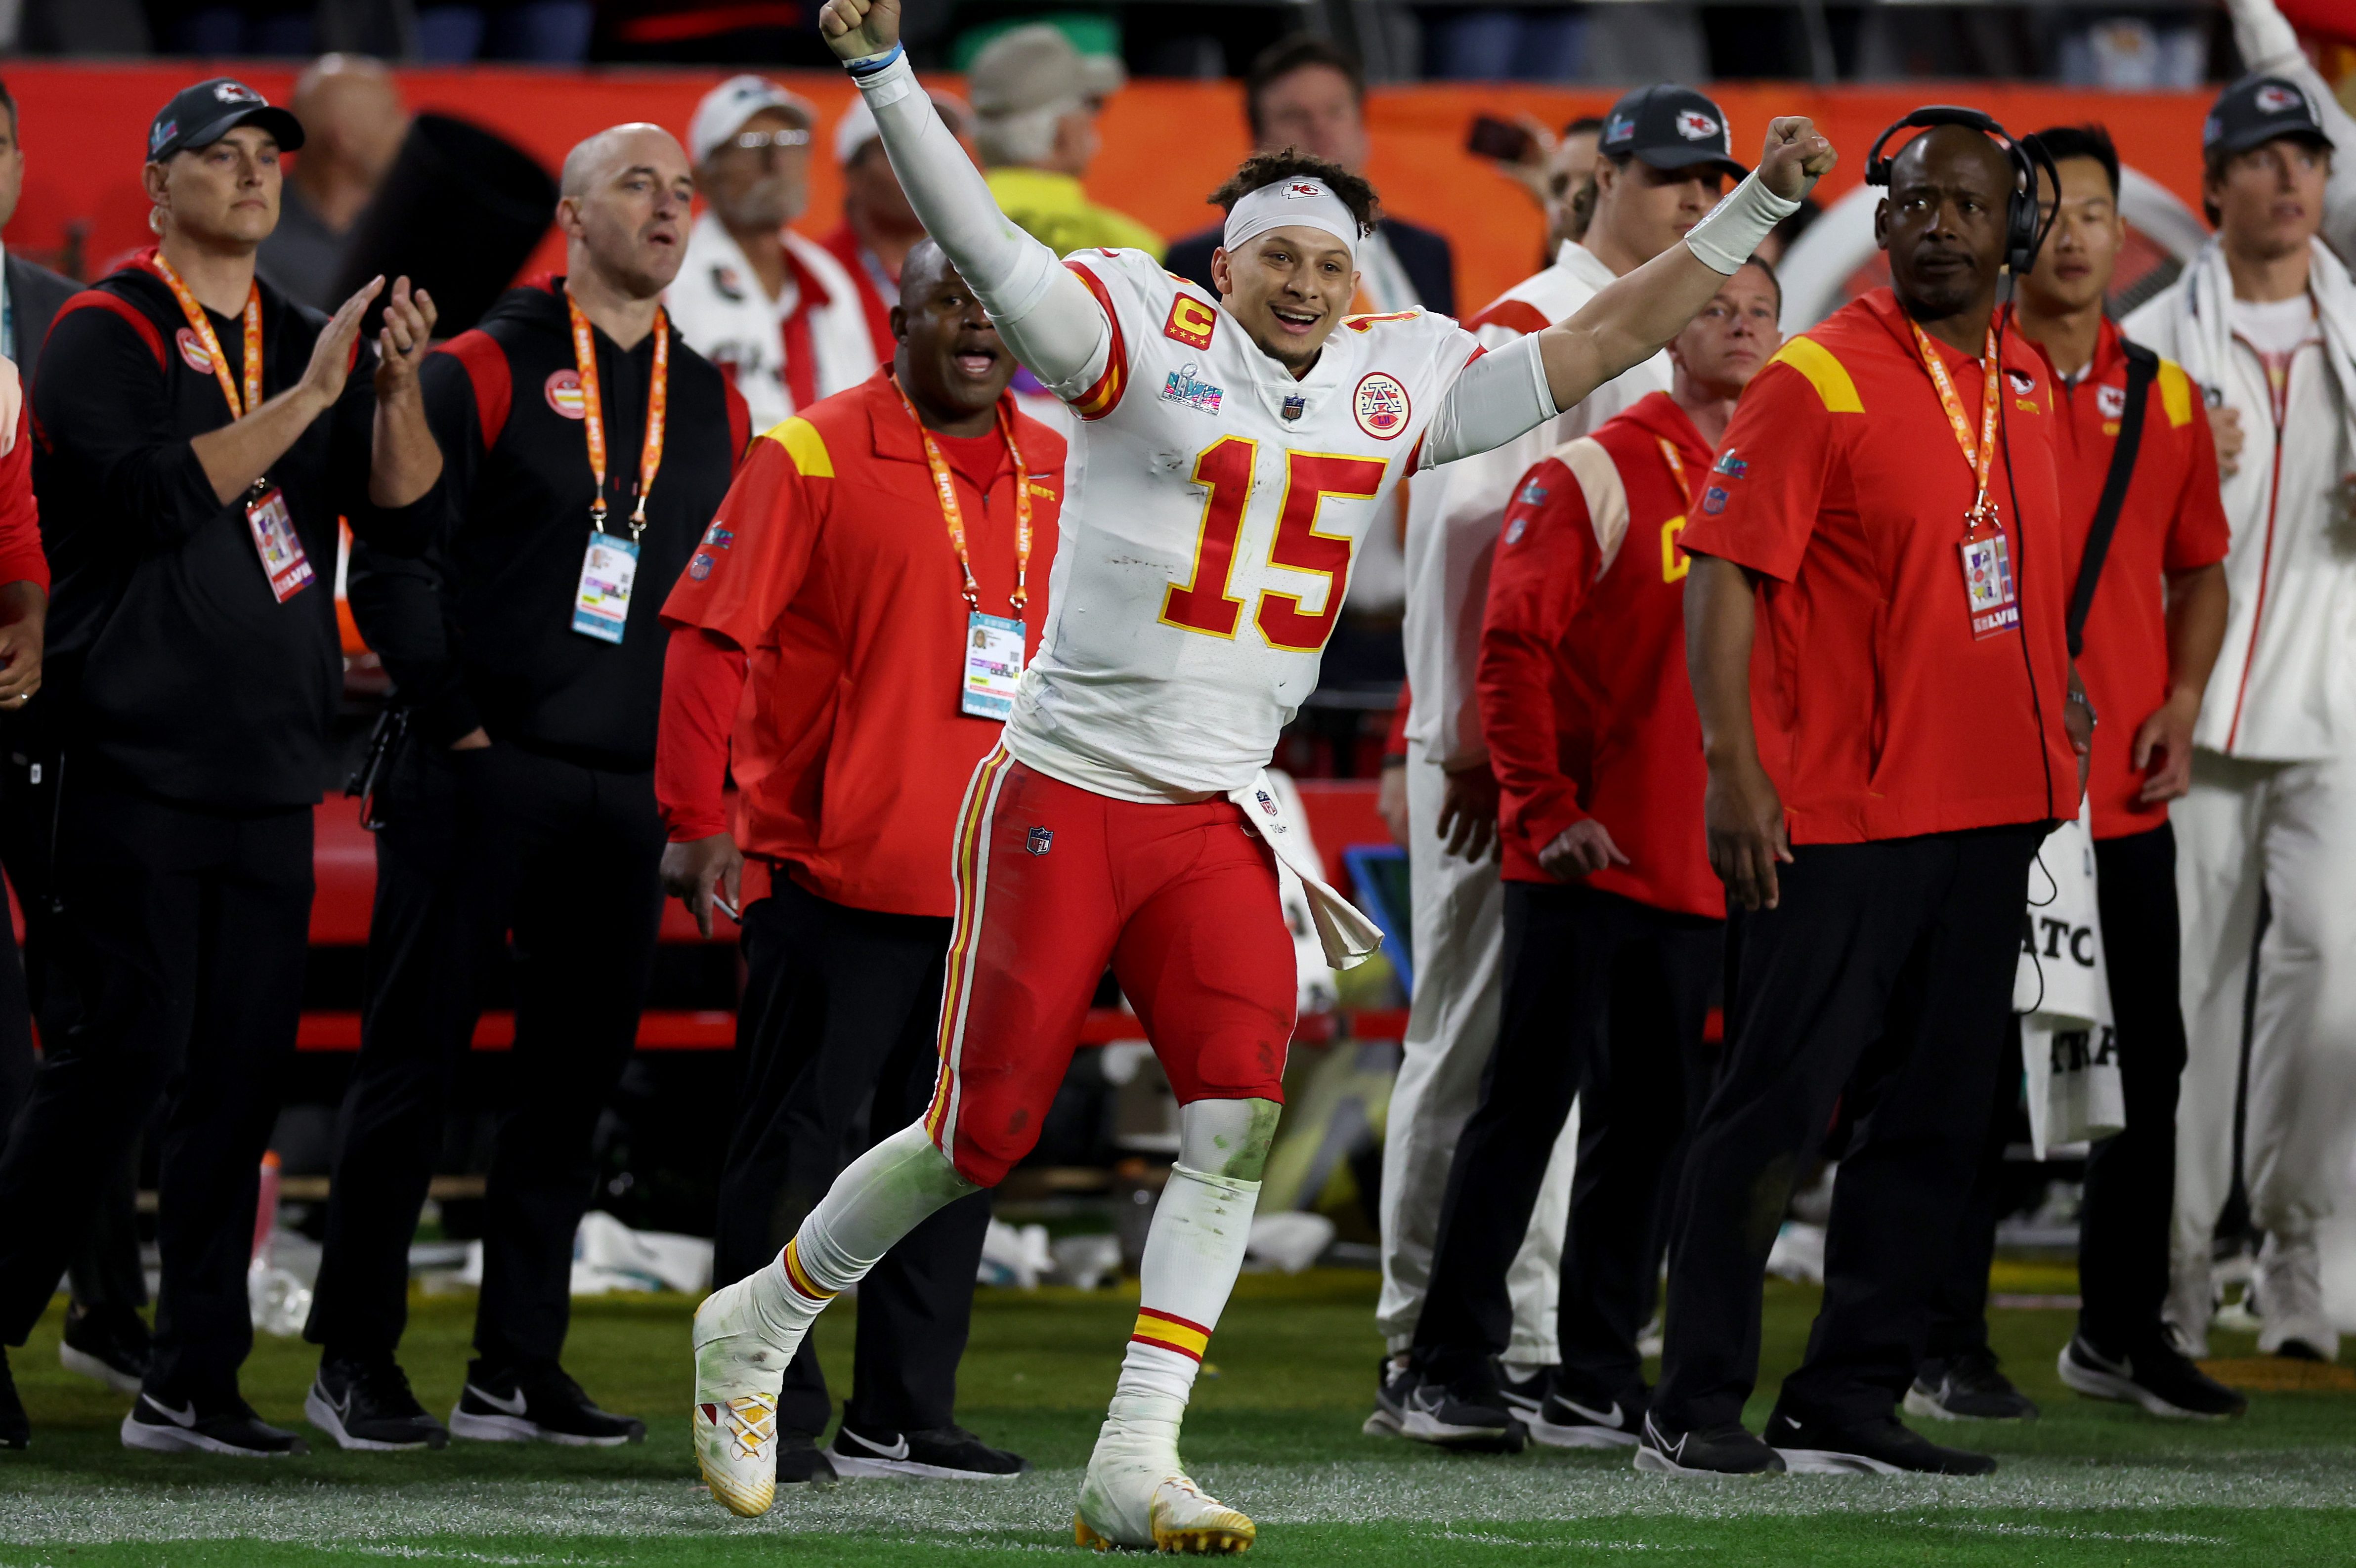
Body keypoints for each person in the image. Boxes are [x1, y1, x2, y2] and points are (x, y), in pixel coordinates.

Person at [692, 0, 1828, 1548]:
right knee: (982, 1132)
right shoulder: (1129, 335)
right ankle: (757, 1318)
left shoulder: (1388, 379)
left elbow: (1606, 335)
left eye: (1325, 262)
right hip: (1067, 789)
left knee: (1231, 1114)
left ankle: (1134, 1452)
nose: (1302, 281)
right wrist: (888, 80)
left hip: (1217, 809)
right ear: (1218, 263)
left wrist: (1758, 209)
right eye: (1276, 255)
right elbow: (981, 234)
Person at [0, 76, 438, 1458]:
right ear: (156, 184)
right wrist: (312, 394)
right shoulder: (100, 328)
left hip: (268, 763)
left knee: (238, 1080)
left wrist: (396, 392)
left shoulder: (310, 337)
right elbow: (140, 500)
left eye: (268, 157)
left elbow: (395, 506)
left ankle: (193, 1376)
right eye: (221, 155)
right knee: (115, 1062)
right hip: (126, 753)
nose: (253, 176)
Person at [300, 123, 749, 1452]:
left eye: (681, 191)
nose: (667, 208)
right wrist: (456, 725)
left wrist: (701, 789)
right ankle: (353, 1355)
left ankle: (516, 1362)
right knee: (412, 1068)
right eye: (636, 186)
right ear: (569, 214)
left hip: (627, 791)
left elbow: (721, 603)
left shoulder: (715, 396)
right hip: (476, 769)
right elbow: (386, 555)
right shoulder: (482, 364)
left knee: (568, 1086)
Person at [1647, 116, 2083, 1478]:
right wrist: (1731, 767)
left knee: (1938, 1120)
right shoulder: (1814, 379)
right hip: (1835, 815)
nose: (1938, 226)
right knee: (1773, 1113)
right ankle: (1691, 1402)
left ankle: (1847, 1392)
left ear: (2008, 230)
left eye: (1966, 206)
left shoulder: (2023, 382)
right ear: (1881, 222)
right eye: (1915, 204)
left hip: (1986, 815)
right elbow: (1720, 573)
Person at [657, 240, 1059, 1486]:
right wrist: (694, 812)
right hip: (831, 874)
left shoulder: (1063, 464)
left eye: (995, 308)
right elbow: (707, 639)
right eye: (951, 301)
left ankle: (906, 1415)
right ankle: (764, 1399)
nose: (978, 327)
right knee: (795, 1148)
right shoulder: (812, 452)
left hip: (994, 885)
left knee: (956, 1147)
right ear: (900, 318)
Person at [1375, 82, 1744, 1431]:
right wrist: (1473, 741)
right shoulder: (1534, 320)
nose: (1696, 206)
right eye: (1670, 183)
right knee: (1473, 1045)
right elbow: (1460, 535)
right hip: (1506, 749)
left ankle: (1529, 1338)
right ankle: (1420, 1337)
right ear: (1599, 179)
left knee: (1568, 1064)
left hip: (1604, 764)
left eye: (1712, 188)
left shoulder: (1678, 327)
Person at [1910, 124, 2244, 1425]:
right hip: (1985, 791)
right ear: (2008, 228)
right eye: (2049, 211)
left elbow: (2197, 565)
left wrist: (2176, 695)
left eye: (2096, 213)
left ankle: (2116, 1331)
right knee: (1973, 1071)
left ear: (2121, 235)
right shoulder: (1955, 381)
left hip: (2118, 801)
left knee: (2143, 1065)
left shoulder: (2162, 395)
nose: (2071, 234)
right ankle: (1947, 1338)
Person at [2123, 73, 2356, 1366]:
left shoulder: (2353, 330)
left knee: (2324, 987)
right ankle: (2169, 1270)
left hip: (2330, 711)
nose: (2285, 180)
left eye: (2302, 159)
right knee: (2181, 1000)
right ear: (2208, 185)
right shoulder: (2151, 341)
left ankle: (2291, 1257)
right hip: (2188, 717)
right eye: (2258, 160)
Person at [0, 72, 151, 1403]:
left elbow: (30, 524)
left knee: (88, 1011)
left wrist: (38, 618)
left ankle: (106, 1297)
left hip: (55, 709)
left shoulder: (58, 322)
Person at [1165, 35, 1455, 317]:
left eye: (1335, 111)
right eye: (1294, 116)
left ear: (1362, 128)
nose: (1319, 128)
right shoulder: (1196, 262)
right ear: (1258, 141)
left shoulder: (1427, 251)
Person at [665, 77, 874, 438]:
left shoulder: (828, 275)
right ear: (702, 175)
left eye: (791, 141)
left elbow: (865, 406)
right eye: (752, 143)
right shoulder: (671, 276)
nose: (776, 161)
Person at [970, 23, 1159, 260]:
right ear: (1062, 130)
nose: (1094, 119)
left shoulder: (941, 225)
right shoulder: (1122, 249)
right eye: (1092, 104)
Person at [821, 90, 973, 362]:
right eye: (901, 149)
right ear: (854, 173)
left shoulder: (976, 270)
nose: (927, 165)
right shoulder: (814, 274)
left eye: (938, 145)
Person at [256, 54, 407, 311]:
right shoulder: (251, 233)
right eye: (389, 116)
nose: (405, 129)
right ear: (343, 140)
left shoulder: (408, 231)